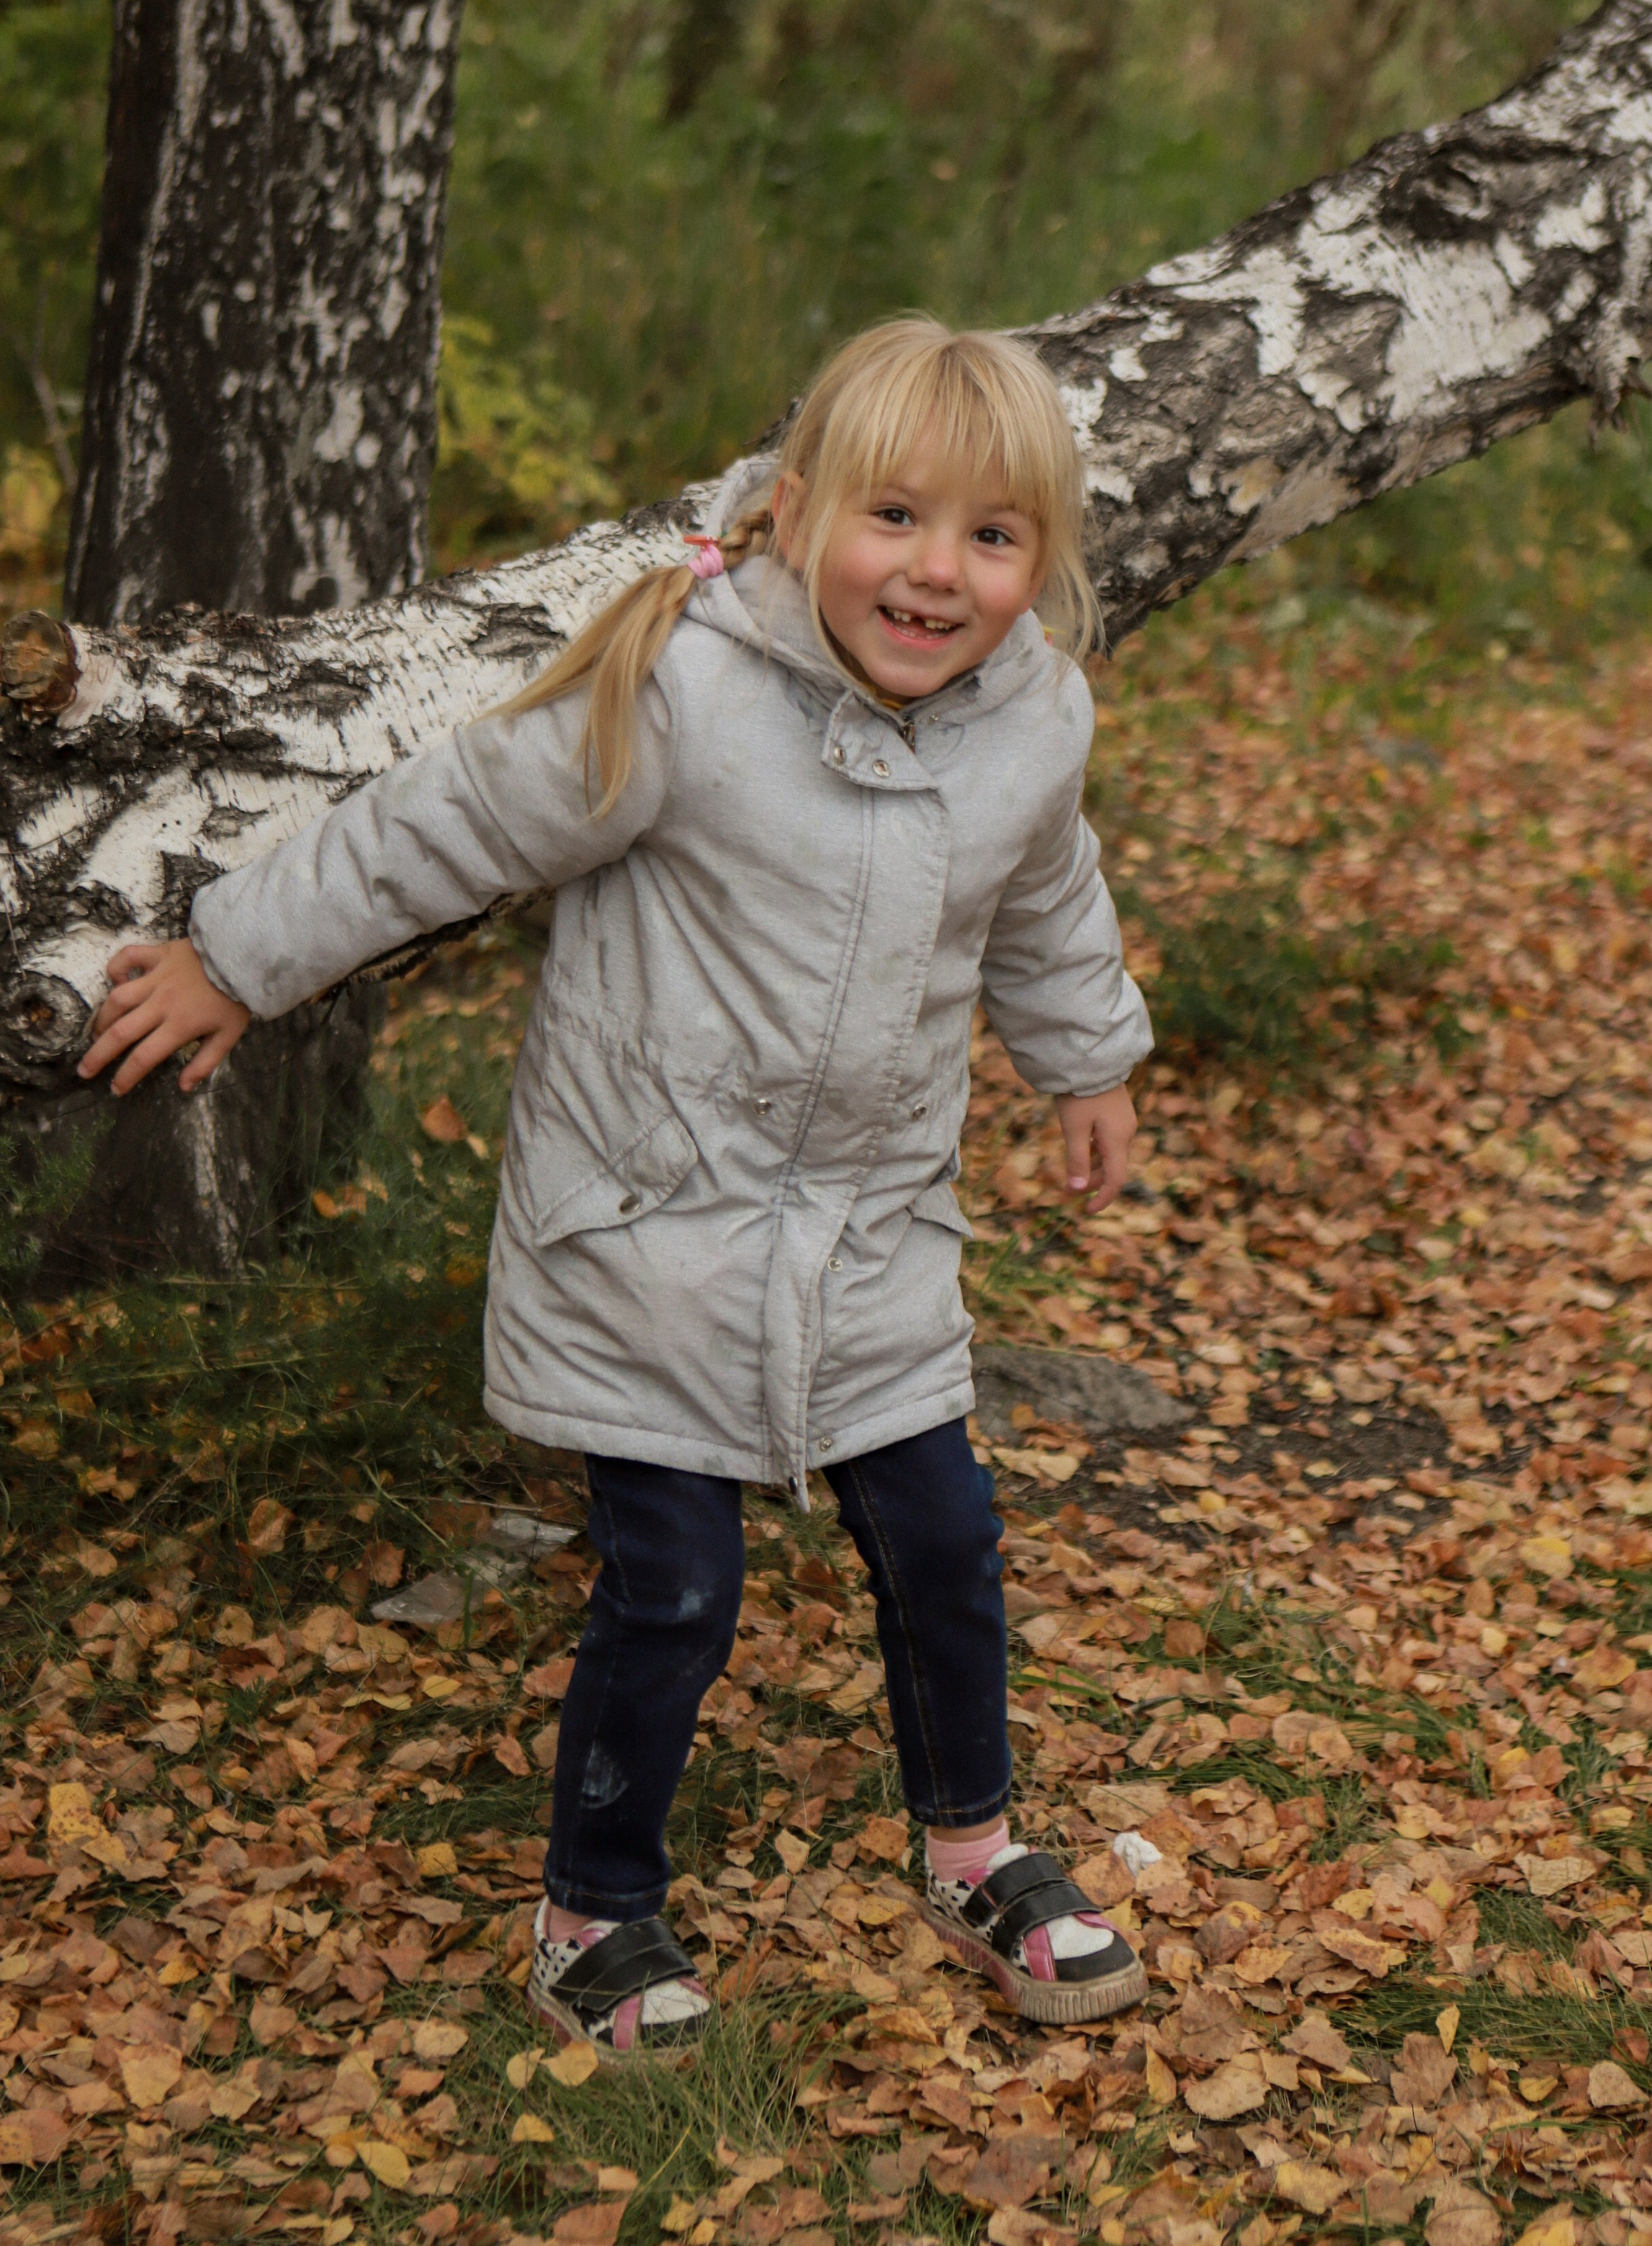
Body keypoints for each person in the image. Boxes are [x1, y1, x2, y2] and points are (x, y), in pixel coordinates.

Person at [79, 316, 1154, 2056]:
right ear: (796, 512)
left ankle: (974, 1847)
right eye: (894, 516)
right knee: (673, 1585)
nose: (934, 573)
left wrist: (1087, 1058)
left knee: (946, 1541)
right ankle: (595, 1906)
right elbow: (443, 824)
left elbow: (1044, 899)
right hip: (647, 1226)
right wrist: (234, 959)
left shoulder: (1029, 719)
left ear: (1041, 561)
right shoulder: (681, 695)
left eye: (990, 536)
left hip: (872, 1233)